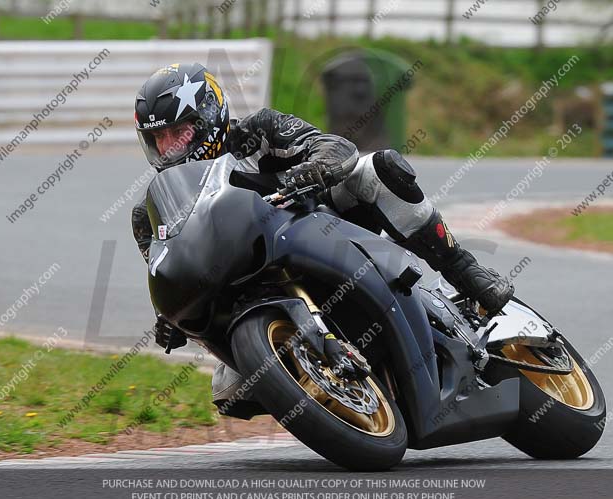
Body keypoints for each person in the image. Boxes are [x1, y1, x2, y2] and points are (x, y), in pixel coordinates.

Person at [131, 63, 514, 352]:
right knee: (228, 392)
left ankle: (465, 271)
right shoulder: (157, 210)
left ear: (209, 119)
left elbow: (336, 147)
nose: (169, 149)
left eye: (177, 134)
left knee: (377, 169)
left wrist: (308, 172)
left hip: (321, 225)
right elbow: (174, 269)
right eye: (158, 140)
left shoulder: (258, 130)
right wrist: (172, 315)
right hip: (248, 283)